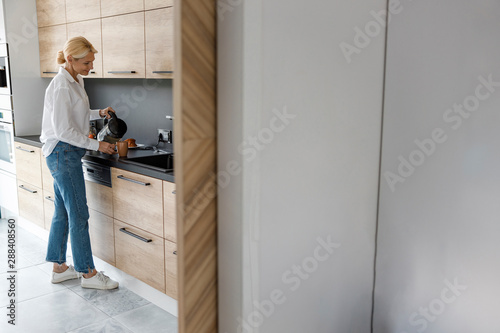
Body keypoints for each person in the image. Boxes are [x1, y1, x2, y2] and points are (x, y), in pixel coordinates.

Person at [40, 36, 118, 289]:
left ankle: (60, 268)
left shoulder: (75, 79)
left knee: (63, 212)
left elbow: (77, 113)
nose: (90, 67)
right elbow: (63, 130)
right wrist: (97, 144)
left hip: (66, 152)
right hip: (63, 152)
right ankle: (88, 273)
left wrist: (99, 113)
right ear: (70, 60)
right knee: (79, 214)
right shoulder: (62, 85)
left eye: (92, 62)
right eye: (86, 63)